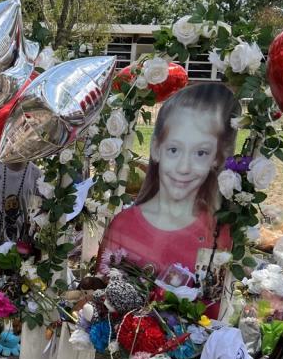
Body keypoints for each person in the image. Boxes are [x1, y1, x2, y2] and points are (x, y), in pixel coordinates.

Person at [96, 83, 239, 290]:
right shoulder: (123, 226)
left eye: (201, 153)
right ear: (156, 149)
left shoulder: (220, 232)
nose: (184, 168)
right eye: (174, 149)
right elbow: (101, 292)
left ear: (216, 158)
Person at [0, 160, 41, 247]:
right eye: (8, 205)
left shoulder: (35, 173)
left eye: (14, 205)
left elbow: (38, 218)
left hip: (23, 248)